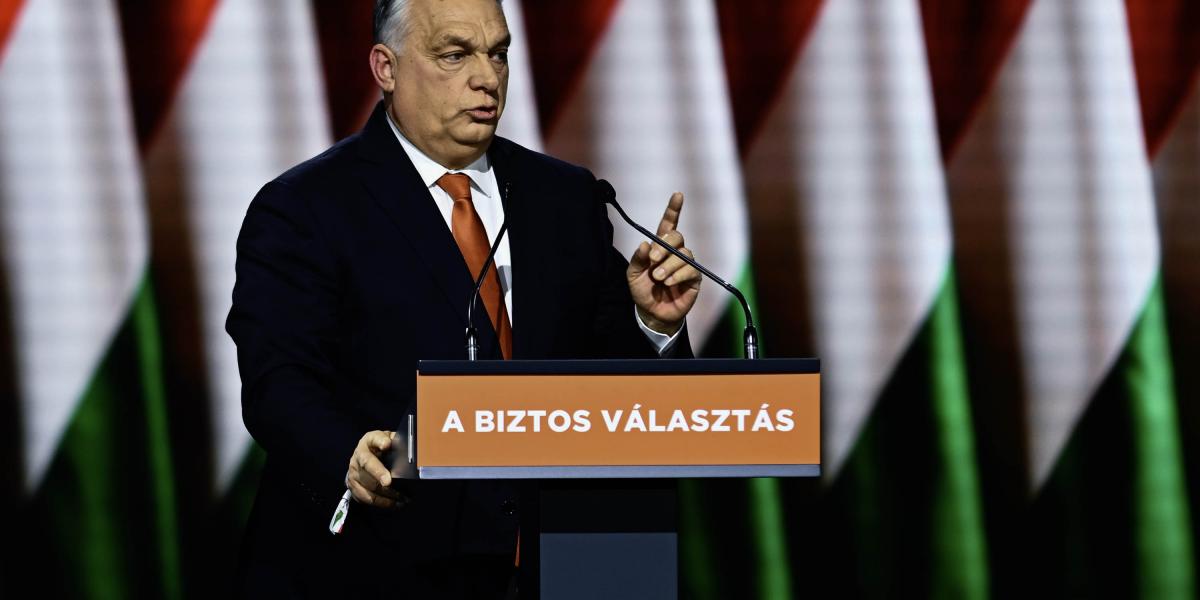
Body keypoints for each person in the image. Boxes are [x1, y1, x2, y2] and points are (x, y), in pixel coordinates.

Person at [226, 0, 701, 596]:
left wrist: (652, 323)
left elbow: (612, 395)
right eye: (455, 55)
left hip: (564, 567)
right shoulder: (305, 208)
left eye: (497, 54)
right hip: (384, 565)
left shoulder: (563, 197)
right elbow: (278, 380)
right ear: (386, 67)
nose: (487, 78)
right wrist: (346, 455)